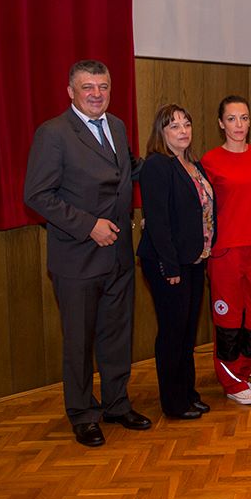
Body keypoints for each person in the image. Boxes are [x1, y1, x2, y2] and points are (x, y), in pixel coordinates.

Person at [24, 59, 151, 447]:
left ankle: (116, 403)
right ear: (71, 92)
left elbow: (129, 172)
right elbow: (37, 195)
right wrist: (88, 225)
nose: (97, 94)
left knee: (117, 335)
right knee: (79, 342)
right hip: (77, 258)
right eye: (88, 87)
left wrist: (174, 165)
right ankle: (82, 414)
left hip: (119, 255)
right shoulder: (53, 133)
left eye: (103, 86)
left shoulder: (117, 126)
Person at [137, 104, 215, 420]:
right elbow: (158, 222)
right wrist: (169, 266)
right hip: (168, 263)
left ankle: (188, 393)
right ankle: (173, 402)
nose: (183, 130)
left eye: (186, 124)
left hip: (194, 260)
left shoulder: (193, 164)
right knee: (172, 332)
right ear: (162, 132)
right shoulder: (157, 165)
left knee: (186, 332)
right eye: (174, 126)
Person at [201, 96, 251, 406]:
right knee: (228, 319)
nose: (239, 125)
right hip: (225, 251)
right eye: (231, 119)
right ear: (221, 123)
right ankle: (231, 381)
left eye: (244, 118)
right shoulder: (210, 160)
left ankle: (241, 373)